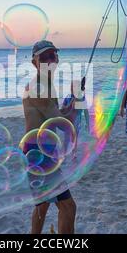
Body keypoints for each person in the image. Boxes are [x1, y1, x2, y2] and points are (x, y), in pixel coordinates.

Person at [23, 40, 77, 234]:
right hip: (39, 153)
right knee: (68, 206)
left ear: (57, 59)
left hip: (43, 151)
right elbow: (62, 123)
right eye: (43, 57)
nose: (49, 60)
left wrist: (71, 103)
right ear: (34, 63)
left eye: (52, 55)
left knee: (42, 205)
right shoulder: (38, 87)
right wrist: (76, 105)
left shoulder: (46, 85)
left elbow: (55, 114)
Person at [60, 80, 90, 158]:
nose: (75, 89)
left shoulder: (82, 98)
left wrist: (88, 123)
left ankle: (74, 153)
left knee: (75, 138)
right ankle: (64, 152)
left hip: (77, 121)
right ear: (71, 88)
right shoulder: (68, 97)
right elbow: (63, 108)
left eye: (77, 87)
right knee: (66, 138)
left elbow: (86, 111)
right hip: (68, 120)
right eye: (74, 87)